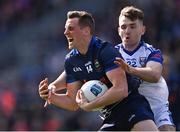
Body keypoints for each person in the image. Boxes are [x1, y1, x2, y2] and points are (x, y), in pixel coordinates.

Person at [39, 10, 158, 131]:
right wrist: (50, 96)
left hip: (132, 105)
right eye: (65, 29)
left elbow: (121, 90)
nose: (65, 32)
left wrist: (91, 105)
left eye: (70, 28)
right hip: (110, 116)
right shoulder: (71, 61)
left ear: (86, 31)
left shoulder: (105, 51)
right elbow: (73, 102)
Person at [114, 6, 176, 131]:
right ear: (118, 30)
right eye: (123, 27)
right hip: (129, 109)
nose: (127, 31)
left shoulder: (151, 52)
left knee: (166, 129)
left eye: (132, 26)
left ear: (142, 30)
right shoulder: (111, 54)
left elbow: (154, 75)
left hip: (156, 108)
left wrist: (131, 70)